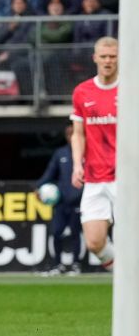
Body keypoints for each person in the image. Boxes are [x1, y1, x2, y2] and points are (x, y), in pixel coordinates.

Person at [70, 36, 117, 270]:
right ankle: (128, 275)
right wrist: (77, 165)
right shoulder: (82, 92)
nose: (108, 61)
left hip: (125, 178)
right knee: (95, 242)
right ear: (95, 58)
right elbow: (78, 134)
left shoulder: (130, 88)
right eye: (104, 56)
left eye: (113, 56)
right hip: (95, 176)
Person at [37, 125, 83, 275]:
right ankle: (58, 264)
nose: (71, 137)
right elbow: (49, 173)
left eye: (73, 134)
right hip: (61, 201)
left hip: (78, 201)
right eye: (68, 134)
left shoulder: (86, 153)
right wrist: (38, 187)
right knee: (56, 232)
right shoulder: (60, 153)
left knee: (76, 233)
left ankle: (76, 264)